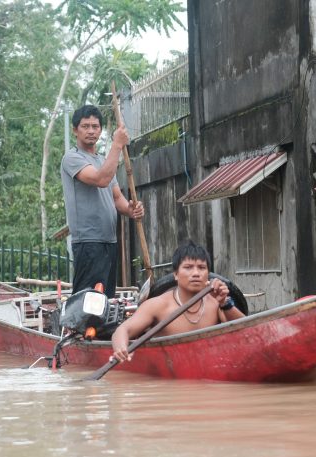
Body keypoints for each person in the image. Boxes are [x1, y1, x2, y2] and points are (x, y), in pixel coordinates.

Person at [111, 240, 246, 362]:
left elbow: (247, 332)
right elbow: (123, 330)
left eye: (201, 268)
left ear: (208, 273)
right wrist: (121, 349)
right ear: (175, 274)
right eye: (188, 267)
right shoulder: (158, 305)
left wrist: (225, 303)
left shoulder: (215, 301)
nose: (196, 273)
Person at [60, 104, 144, 298]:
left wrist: (132, 209)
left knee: (106, 299)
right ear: (75, 130)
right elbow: (101, 179)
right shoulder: (71, 158)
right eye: (85, 126)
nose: (91, 131)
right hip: (88, 241)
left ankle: (104, 329)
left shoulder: (103, 160)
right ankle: (81, 329)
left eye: (95, 126)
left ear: (101, 130)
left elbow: (116, 198)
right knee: (87, 301)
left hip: (109, 240)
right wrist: (117, 145)